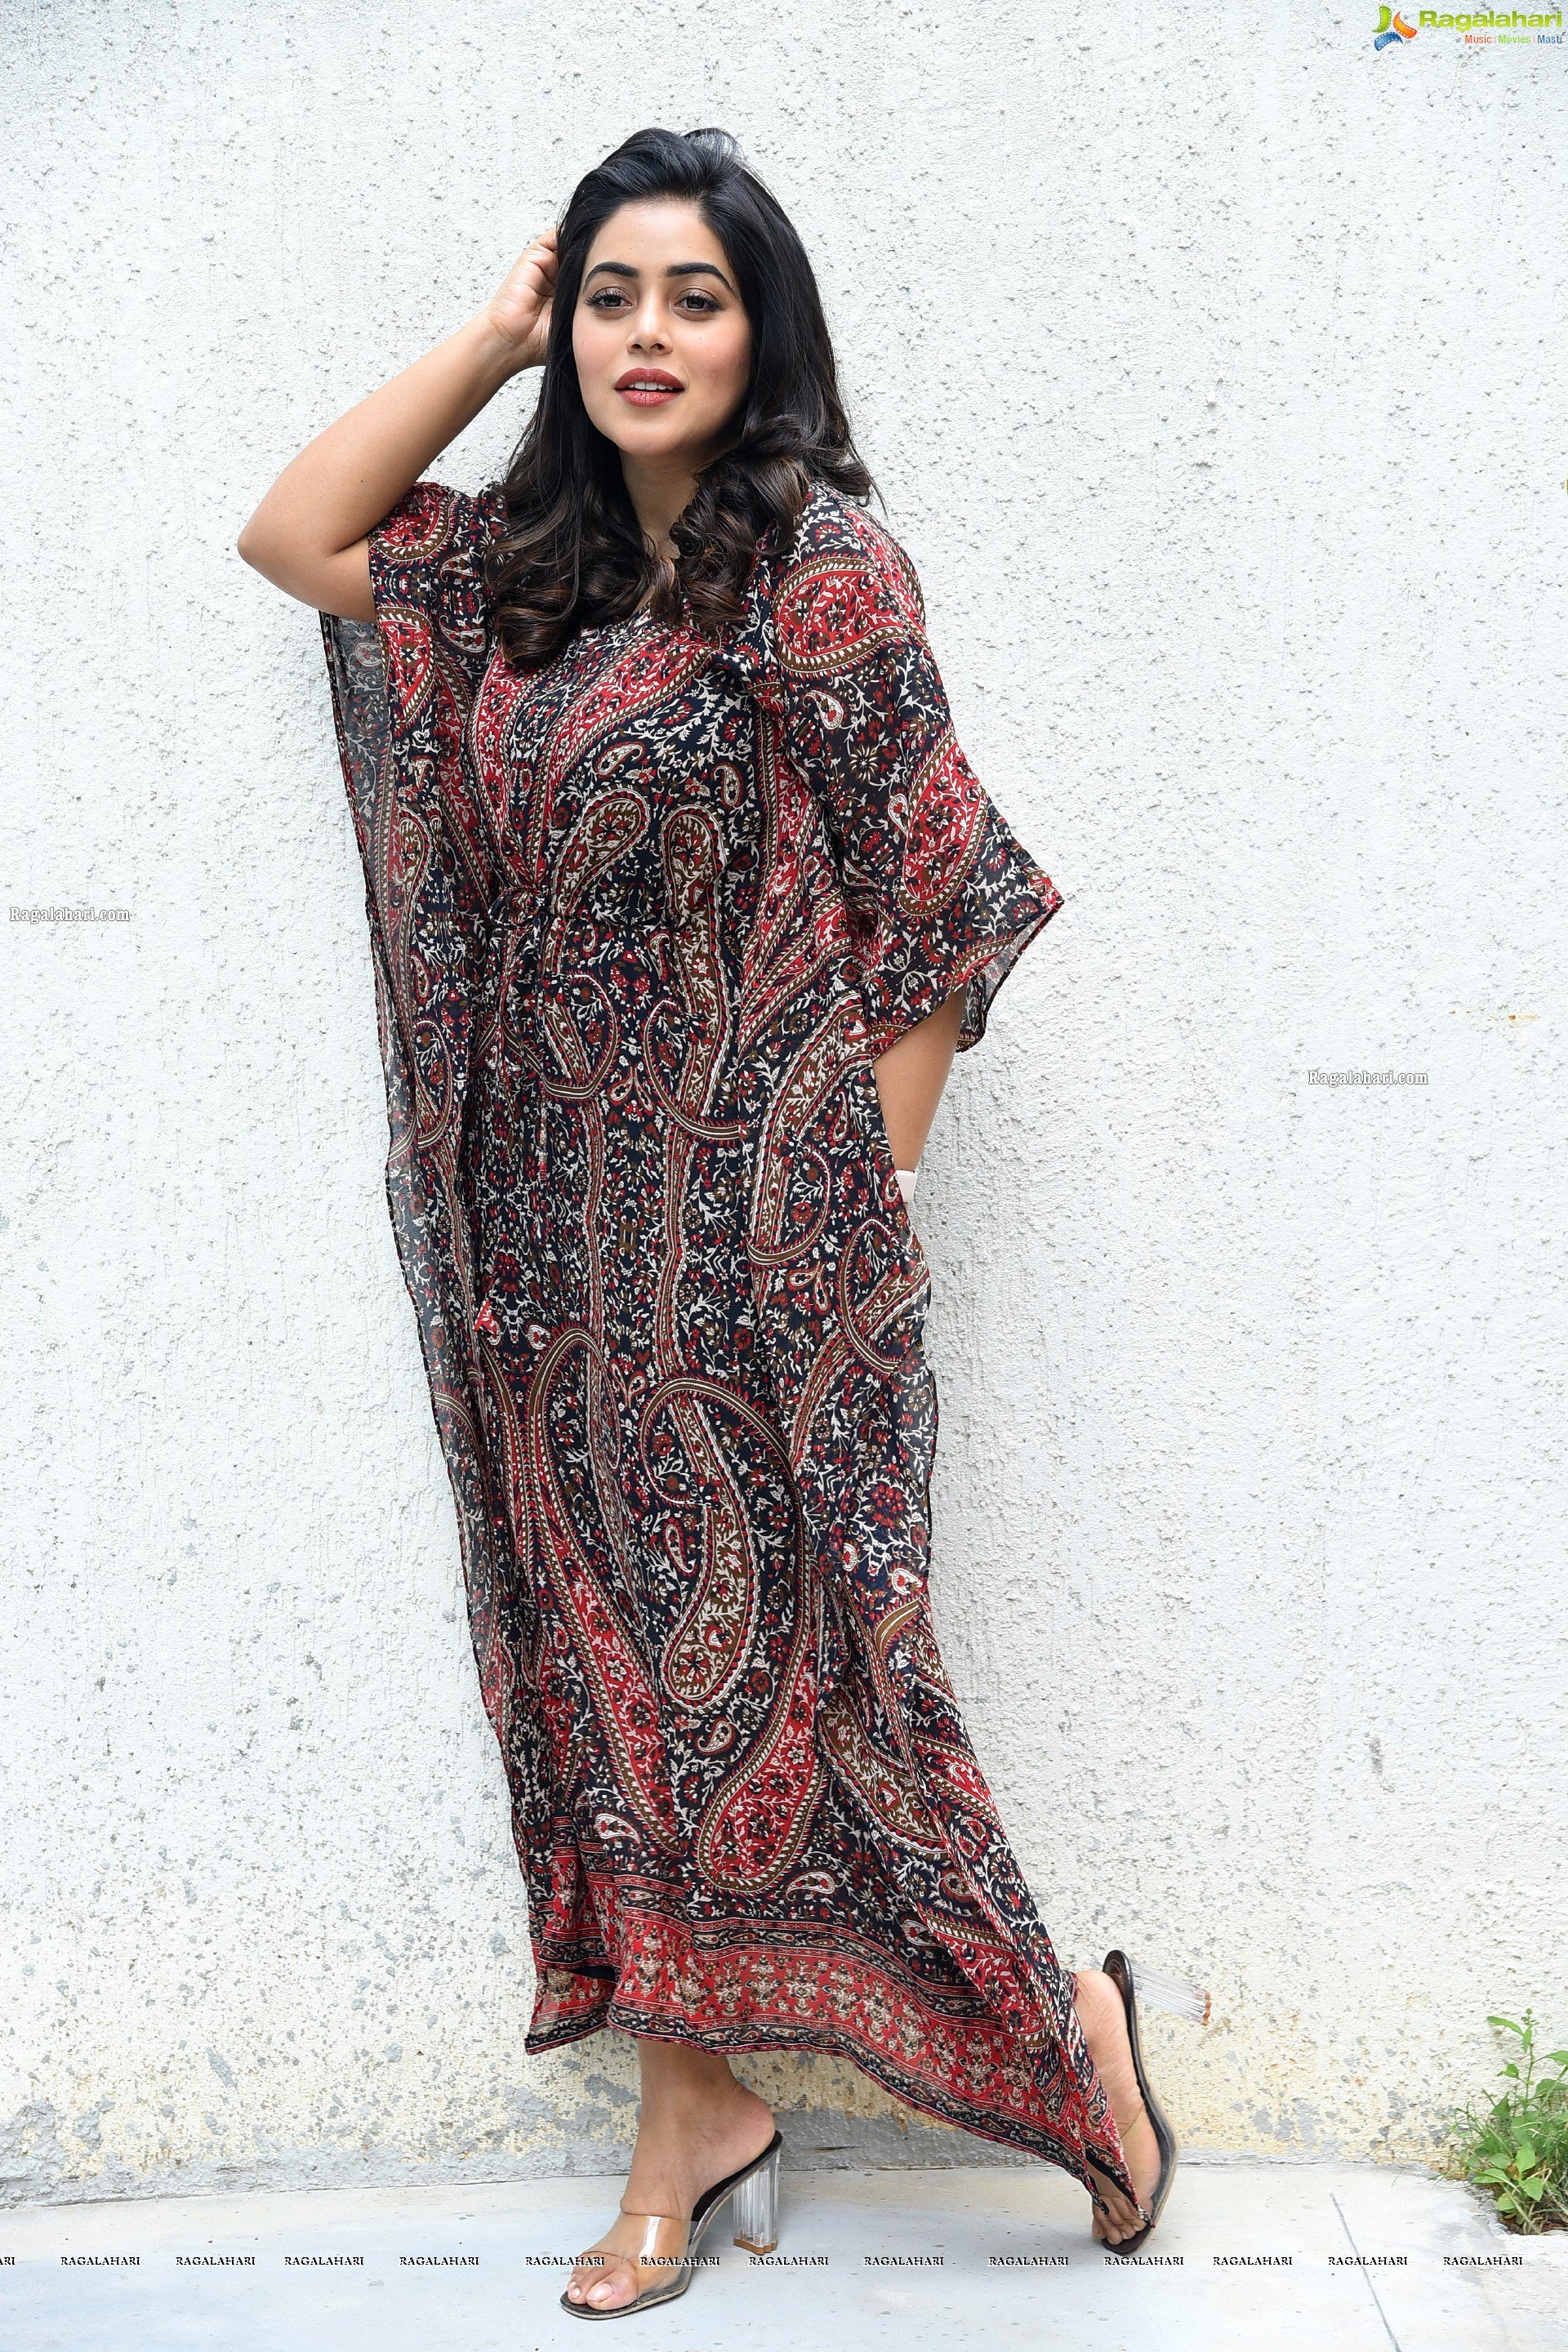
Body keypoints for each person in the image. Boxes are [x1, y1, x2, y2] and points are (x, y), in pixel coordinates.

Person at [239, 122, 1192, 2321]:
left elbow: (935, 910)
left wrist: (846, 1219)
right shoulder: (525, 579)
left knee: (844, 1688)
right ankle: (695, 2115)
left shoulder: (819, 572)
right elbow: (295, 534)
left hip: (766, 1260)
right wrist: (491, 332)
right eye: (610, 297)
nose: (646, 335)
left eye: (696, 295)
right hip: (548, 1260)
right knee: (610, 1698)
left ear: (766, 334)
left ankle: (1074, 2045)